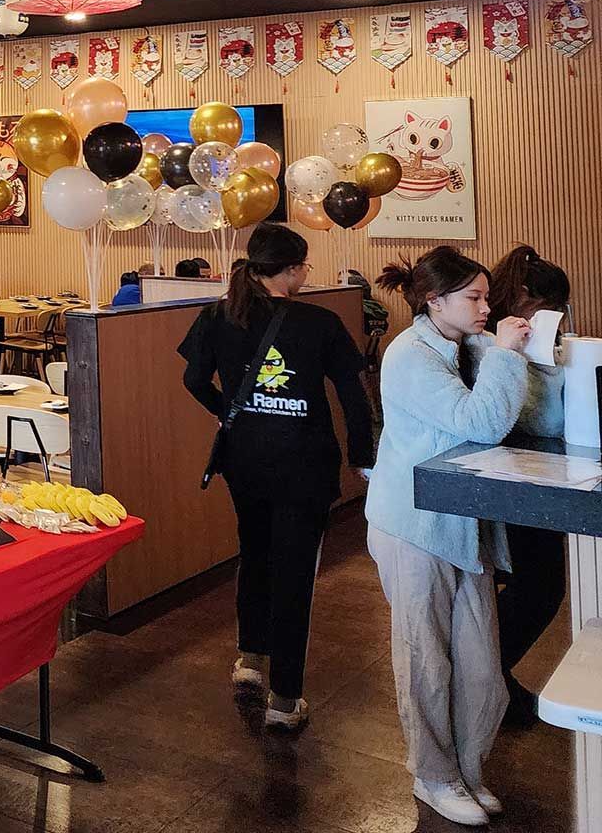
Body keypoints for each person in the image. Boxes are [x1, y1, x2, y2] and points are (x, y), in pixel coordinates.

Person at [368, 249, 563, 826]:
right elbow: (480, 422)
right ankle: (433, 775)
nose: (486, 306)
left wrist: (526, 355)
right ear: (434, 300)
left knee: (479, 662)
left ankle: (467, 771)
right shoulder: (409, 355)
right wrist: (506, 354)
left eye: (484, 296)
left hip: (464, 520)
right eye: (474, 298)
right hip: (413, 522)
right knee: (425, 657)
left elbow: (537, 418)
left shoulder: (465, 347)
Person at [178, 224, 374, 733]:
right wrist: (363, 455)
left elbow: (193, 379)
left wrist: (229, 413)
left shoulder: (218, 315)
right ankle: (284, 699)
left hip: (244, 461)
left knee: (256, 554)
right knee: (294, 573)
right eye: (304, 267)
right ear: (289, 270)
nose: (305, 275)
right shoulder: (320, 323)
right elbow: (353, 394)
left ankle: (250, 660)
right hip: (304, 465)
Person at [484, 245, 574, 725]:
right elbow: (540, 417)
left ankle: (491, 677)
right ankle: (489, 677)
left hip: (520, 475)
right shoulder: (495, 347)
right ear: (523, 299)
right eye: (551, 307)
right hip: (509, 477)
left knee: (532, 586)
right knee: (539, 588)